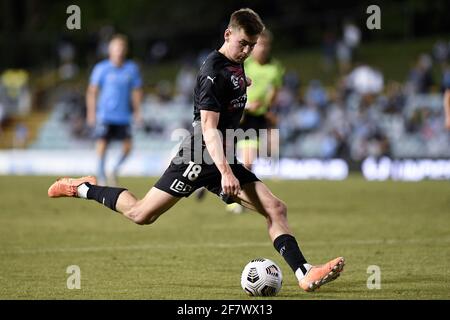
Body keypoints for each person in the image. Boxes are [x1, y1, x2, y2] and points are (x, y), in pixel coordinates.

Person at [48, 8, 344, 292]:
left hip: (222, 157)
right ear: (228, 34)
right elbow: (208, 129)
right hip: (199, 156)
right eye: (243, 44)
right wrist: (226, 172)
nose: (247, 51)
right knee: (141, 214)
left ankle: (304, 273)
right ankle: (84, 188)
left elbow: (235, 86)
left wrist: (243, 85)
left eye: (251, 46)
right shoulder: (211, 73)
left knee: (276, 208)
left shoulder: (237, 64)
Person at [226, 29, 285, 214]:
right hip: (238, 114)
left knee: (248, 162)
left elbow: (274, 90)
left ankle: (235, 199)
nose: (262, 49)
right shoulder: (244, 64)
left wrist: (269, 109)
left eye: (266, 45)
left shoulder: (275, 67)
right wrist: (247, 103)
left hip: (256, 119)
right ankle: (227, 192)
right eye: (259, 45)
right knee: (226, 158)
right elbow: (230, 87)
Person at [86, 34, 143, 186]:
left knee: (128, 147)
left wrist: (138, 112)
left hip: (124, 116)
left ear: (126, 50)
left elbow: (136, 92)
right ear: (110, 50)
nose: (119, 50)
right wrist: (91, 113)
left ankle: (114, 170)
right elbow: (92, 91)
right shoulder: (101, 68)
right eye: (116, 47)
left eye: (122, 47)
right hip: (105, 115)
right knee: (102, 144)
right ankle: (101, 175)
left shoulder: (131, 69)